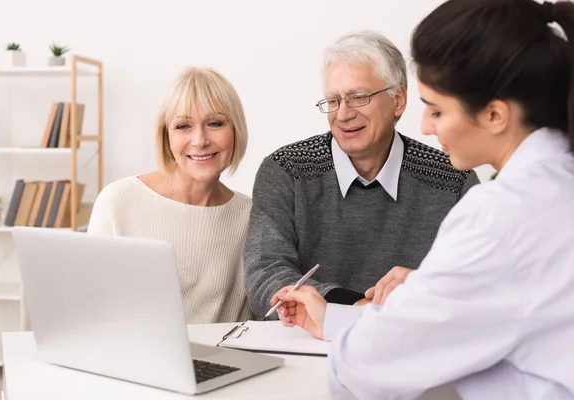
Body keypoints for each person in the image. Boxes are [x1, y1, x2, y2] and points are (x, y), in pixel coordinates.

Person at [273, 0, 574, 398]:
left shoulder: (497, 216)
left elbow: (363, 370)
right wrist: (422, 296)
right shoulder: (555, 187)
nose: (425, 126)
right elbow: (491, 308)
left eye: (435, 109)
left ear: (495, 115)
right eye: (333, 100)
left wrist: (415, 302)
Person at [243, 30, 480, 318]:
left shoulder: (453, 178)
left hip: (412, 344)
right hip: (303, 347)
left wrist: (423, 290)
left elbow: (478, 281)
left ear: (398, 100)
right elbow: (265, 274)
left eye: (358, 97)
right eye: (333, 101)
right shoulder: (286, 171)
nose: (343, 114)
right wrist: (358, 308)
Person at [86, 66, 252, 325]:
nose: (199, 141)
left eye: (215, 123)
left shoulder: (251, 216)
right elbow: (91, 313)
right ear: (166, 137)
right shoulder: (118, 202)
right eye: (183, 126)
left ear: (236, 130)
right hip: (134, 360)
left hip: (223, 362)